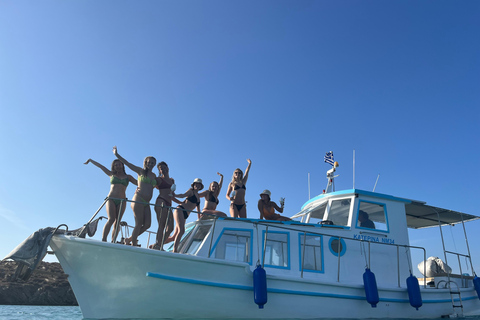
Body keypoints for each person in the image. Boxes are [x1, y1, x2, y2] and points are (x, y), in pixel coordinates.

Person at [84, 158, 137, 242]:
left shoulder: (128, 177)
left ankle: (113, 240)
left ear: (122, 165)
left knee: (118, 221)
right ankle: (104, 239)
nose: (118, 166)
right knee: (111, 219)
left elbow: (139, 183)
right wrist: (90, 160)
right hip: (111, 199)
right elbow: (101, 166)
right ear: (114, 167)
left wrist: (140, 188)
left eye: (119, 164)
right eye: (116, 165)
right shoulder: (111, 174)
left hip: (122, 200)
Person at [113, 146, 157, 246]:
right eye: (149, 162)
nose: (150, 164)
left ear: (154, 164)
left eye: (152, 163)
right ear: (146, 162)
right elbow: (128, 164)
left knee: (147, 225)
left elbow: (152, 186)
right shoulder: (140, 171)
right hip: (138, 199)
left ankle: (129, 239)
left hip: (147, 202)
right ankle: (133, 244)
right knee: (139, 223)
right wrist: (116, 154)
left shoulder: (154, 176)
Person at [169, 178, 204, 252]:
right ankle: (175, 250)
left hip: (185, 214)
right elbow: (183, 195)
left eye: (199, 184)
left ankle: (157, 244)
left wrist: (200, 219)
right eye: (196, 184)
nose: (197, 185)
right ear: (193, 185)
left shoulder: (198, 197)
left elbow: (198, 210)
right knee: (181, 231)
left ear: (201, 186)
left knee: (174, 236)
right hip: (180, 210)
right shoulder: (191, 191)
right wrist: (175, 195)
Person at [151, 161, 177, 250]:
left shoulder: (172, 180)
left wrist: (180, 202)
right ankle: (158, 245)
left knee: (170, 228)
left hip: (169, 204)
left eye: (164, 167)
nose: (163, 169)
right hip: (161, 201)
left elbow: (172, 194)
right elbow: (149, 187)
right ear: (159, 171)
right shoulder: (159, 179)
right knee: (161, 225)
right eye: (161, 168)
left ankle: (159, 244)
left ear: (168, 168)